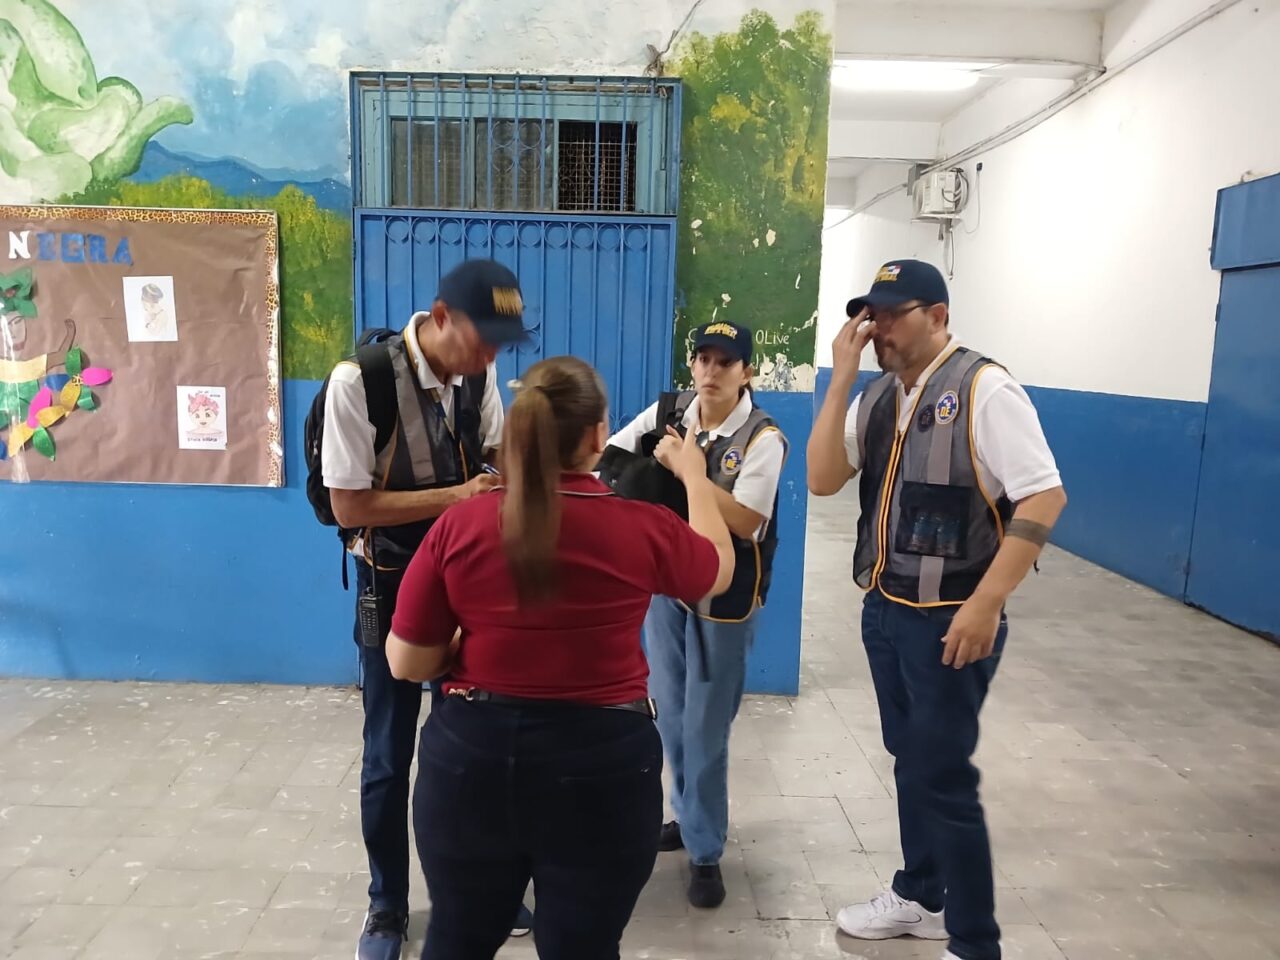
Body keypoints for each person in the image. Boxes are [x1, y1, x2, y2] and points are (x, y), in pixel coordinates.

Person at [384, 355, 737, 959]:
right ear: (598, 436)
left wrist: (467, 644)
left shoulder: (460, 526)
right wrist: (695, 477)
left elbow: (406, 663)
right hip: (602, 767)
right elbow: (717, 570)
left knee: (458, 940)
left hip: (471, 762)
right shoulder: (642, 527)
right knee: (584, 947)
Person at [806, 260, 1067, 960]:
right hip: (887, 610)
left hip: (952, 622)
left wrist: (987, 605)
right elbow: (825, 479)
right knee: (911, 761)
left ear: (940, 316)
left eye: (894, 314)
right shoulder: (880, 397)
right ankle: (922, 893)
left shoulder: (985, 389)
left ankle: (974, 943)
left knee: (946, 778)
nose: (879, 329)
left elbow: (1044, 497)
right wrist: (839, 378)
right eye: (872, 315)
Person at [321, 258, 532, 960]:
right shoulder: (361, 382)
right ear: (440, 316)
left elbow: (497, 457)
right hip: (391, 581)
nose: (492, 354)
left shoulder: (480, 371)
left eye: (504, 341)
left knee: (468, 748)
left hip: (467, 584)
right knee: (388, 753)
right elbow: (350, 504)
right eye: (483, 336)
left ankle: (476, 890)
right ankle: (386, 906)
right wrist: (457, 497)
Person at [604, 320, 787, 909]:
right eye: (703, 359)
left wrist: (688, 475)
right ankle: (686, 818)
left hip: (726, 604)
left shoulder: (763, 438)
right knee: (670, 715)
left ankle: (706, 852)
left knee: (706, 729)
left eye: (724, 363)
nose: (710, 372)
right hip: (668, 592)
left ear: (747, 372)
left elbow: (746, 521)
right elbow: (613, 458)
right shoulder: (670, 411)